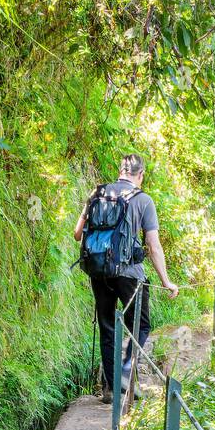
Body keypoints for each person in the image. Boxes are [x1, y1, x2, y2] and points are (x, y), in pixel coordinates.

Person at [74, 153, 178, 403]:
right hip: (130, 275)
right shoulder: (143, 201)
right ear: (140, 175)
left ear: (120, 171)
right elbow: (153, 246)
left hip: (99, 271)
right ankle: (126, 373)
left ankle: (110, 389)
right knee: (140, 326)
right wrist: (166, 281)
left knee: (107, 327)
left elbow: (78, 234)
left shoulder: (96, 194)